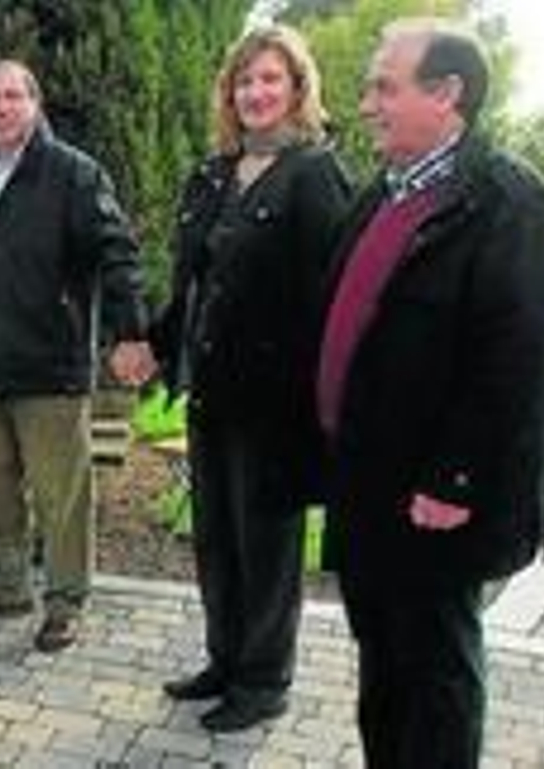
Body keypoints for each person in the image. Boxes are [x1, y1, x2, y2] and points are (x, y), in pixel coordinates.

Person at [317, 19, 544, 766]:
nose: (366, 104)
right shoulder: (384, 192)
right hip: (369, 480)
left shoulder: (514, 206)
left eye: (384, 87)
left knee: (434, 675)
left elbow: (514, 364)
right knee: (383, 662)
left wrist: (453, 478)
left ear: (448, 94)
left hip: (435, 500)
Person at [150, 26, 352, 732]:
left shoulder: (315, 175)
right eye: (244, 81)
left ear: (297, 89)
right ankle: (225, 659)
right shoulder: (215, 173)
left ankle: (264, 680)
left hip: (275, 403)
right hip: (211, 393)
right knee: (217, 538)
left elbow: (332, 299)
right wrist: (153, 345)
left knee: (266, 545)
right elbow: (191, 282)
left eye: (270, 79)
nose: (255, 92)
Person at [0, 60, 154, 653]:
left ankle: (66, 600)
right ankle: (10, 587)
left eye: (12, 96)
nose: (1, 107)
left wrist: (130, 332)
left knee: (61, 497)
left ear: (35, 102)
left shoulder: (73, 173)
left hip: (52, 368)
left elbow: (118, 252)